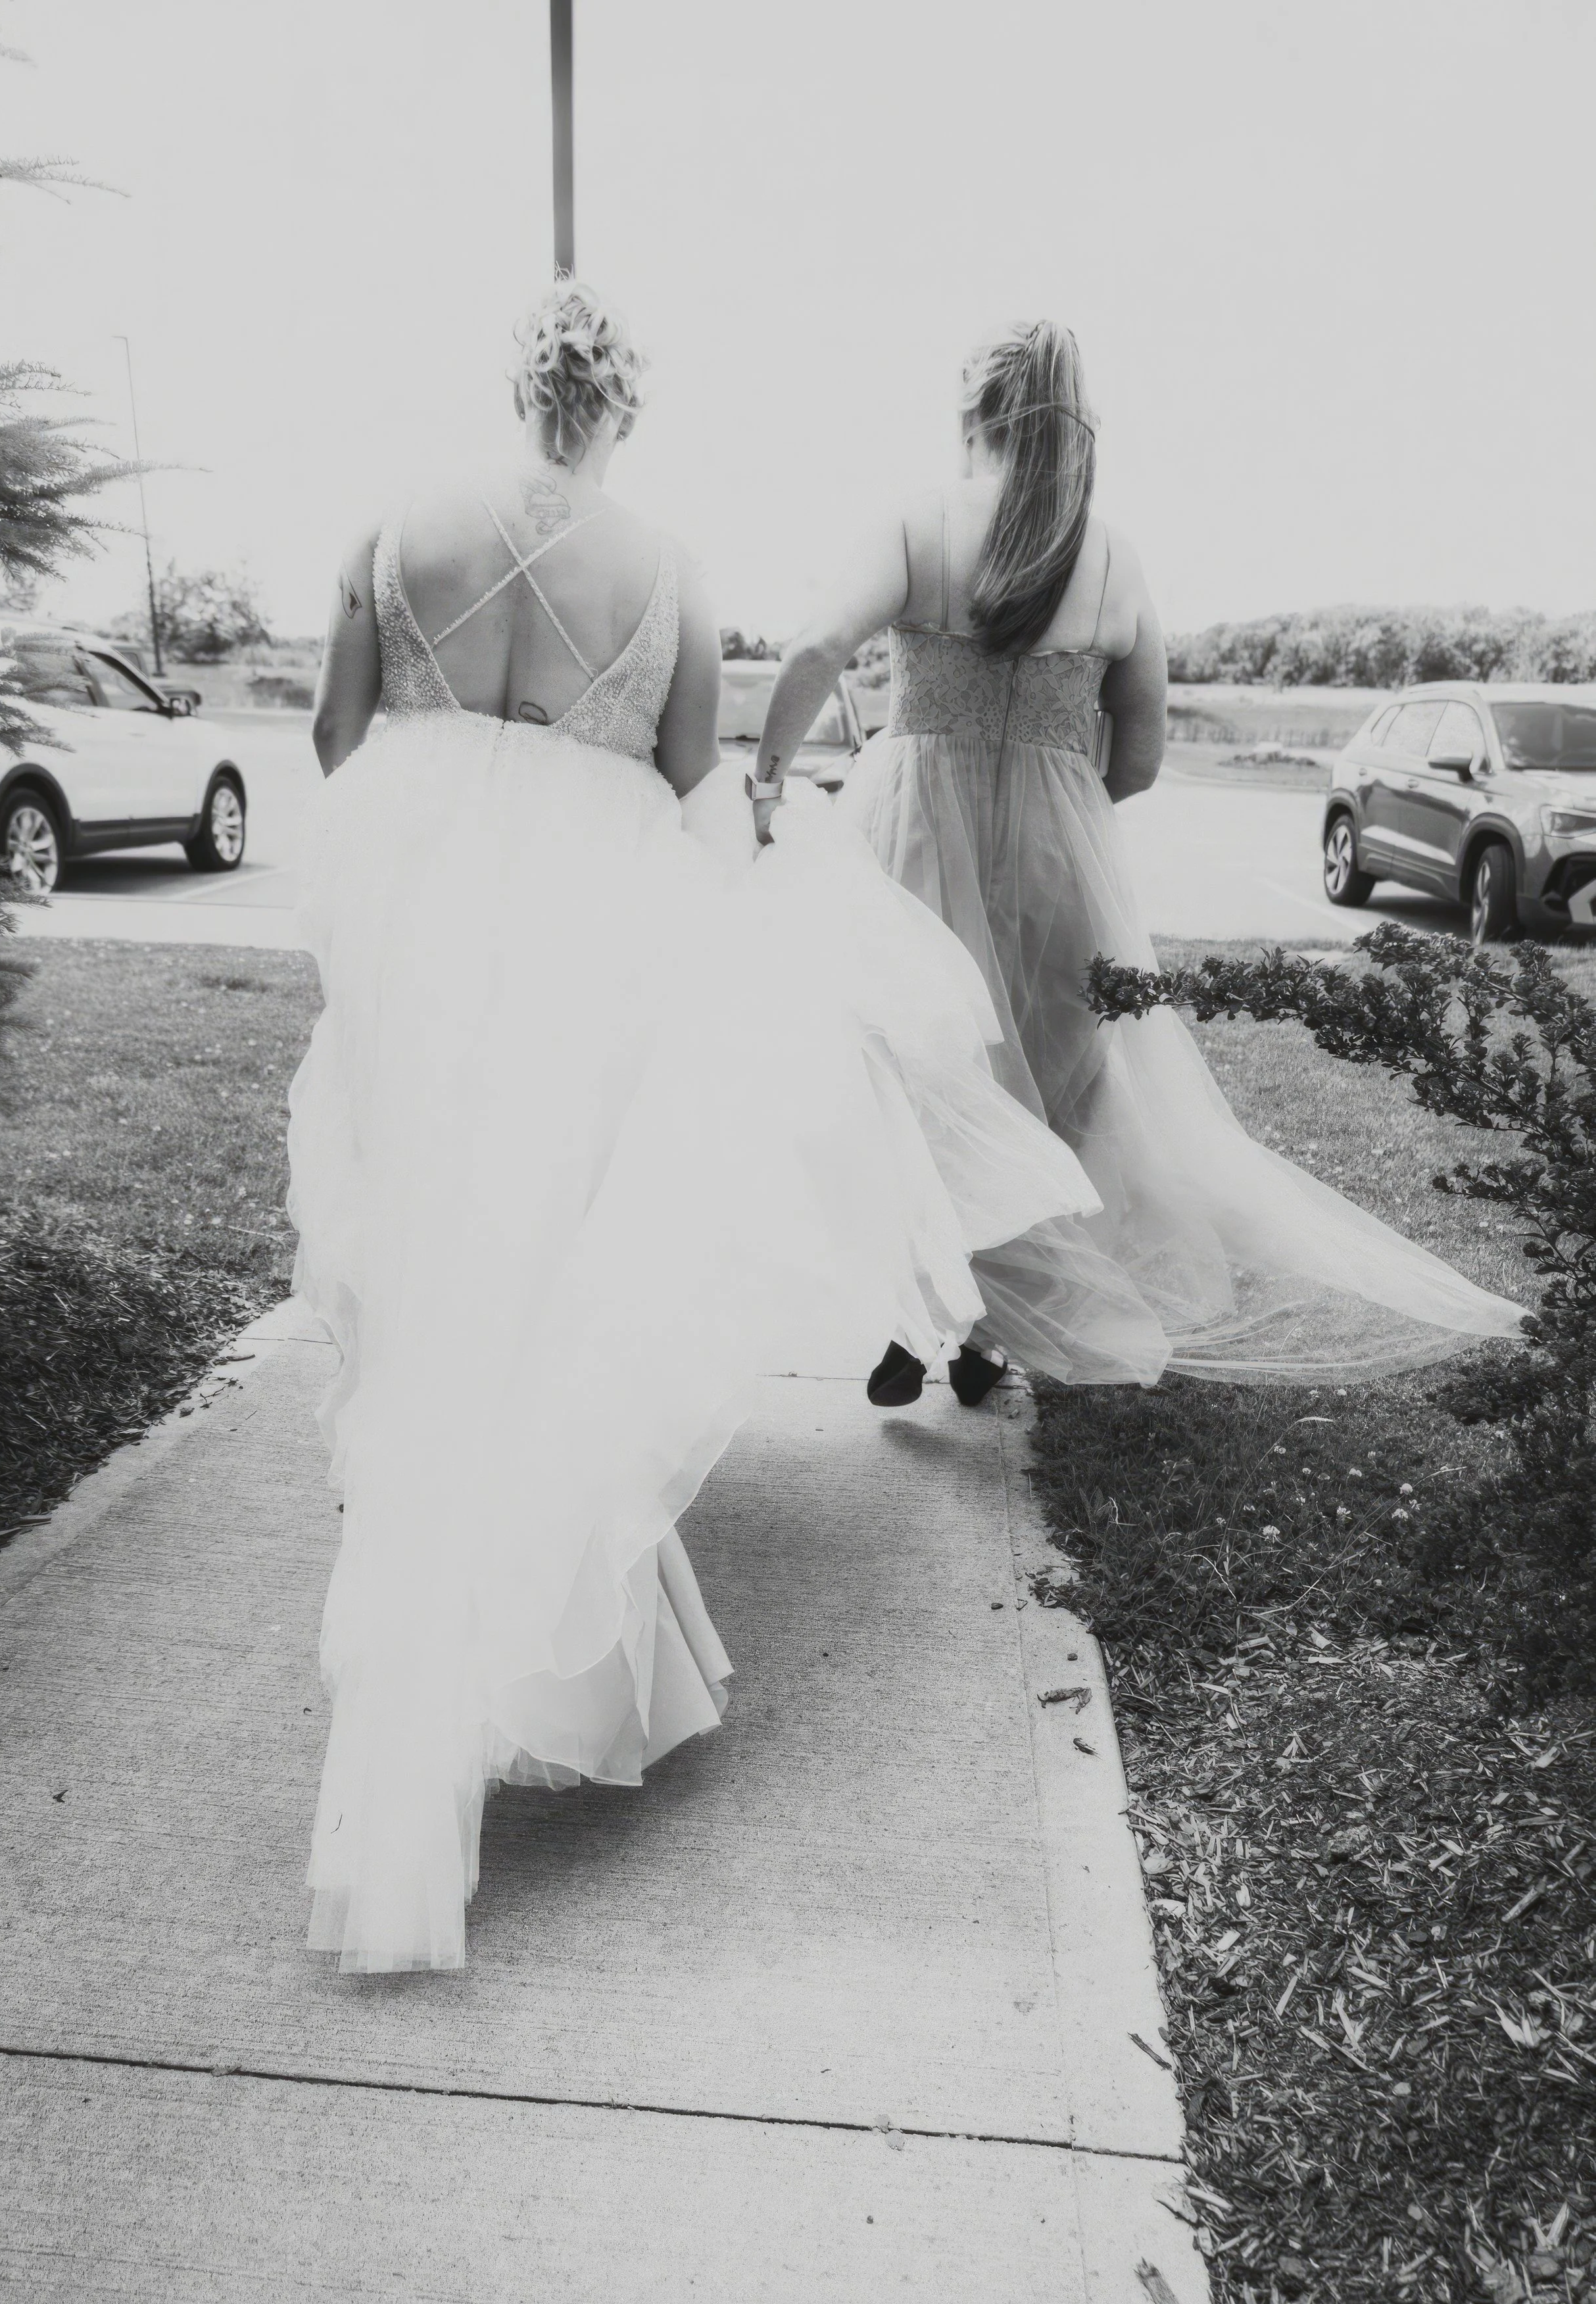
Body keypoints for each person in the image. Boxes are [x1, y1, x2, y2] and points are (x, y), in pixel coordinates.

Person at [288, 283, 1126, 1974]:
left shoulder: (389, 529)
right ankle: (538, 1628)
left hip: (413, 949)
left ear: (515, 388)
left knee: (419, 1260)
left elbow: (332, 738)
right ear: (622, 408)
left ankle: (418, 1589)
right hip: (584, 961)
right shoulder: (666, 569)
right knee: (552, 1270)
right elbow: (693, 791)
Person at [752, 318, 1522, 1407]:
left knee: (923, 1081)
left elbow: (814, 647)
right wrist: (1058, 812)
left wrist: (769, 780)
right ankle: (989, 1339)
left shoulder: (917, 523)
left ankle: (917, 1312)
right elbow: (1145, 753)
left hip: (912, 835)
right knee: (1050, 1091)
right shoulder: (1109, 556)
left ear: (973, 413)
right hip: (1055, 857)